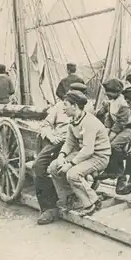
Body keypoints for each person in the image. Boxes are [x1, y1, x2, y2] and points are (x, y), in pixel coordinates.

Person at [47, 90, 111, 216]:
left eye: (65, 104)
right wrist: (61, 156)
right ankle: (71, 197)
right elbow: (69, 143)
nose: (63, 108)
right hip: (85, 154)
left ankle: (92, 202)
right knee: (54, 167)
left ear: (74, 106)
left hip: (99, 156)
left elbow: (88, 149)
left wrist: (69, 164)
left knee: (73, 174)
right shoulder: (73, 121)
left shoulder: (89, 122)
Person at [32, 81, 87, 225]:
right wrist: (52, 137)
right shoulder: (59, 107)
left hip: (78, 144)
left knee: (69, 166)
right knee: (39, 165)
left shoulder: (88, 109)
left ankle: (76, 196)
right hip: (59, 141)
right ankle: (48, 208)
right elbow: (45, 125)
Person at [95, 79, 131, 182]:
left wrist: (110, 136)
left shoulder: (123, 103)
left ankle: (118, 171)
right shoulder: (111, 102)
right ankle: (107, 169)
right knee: (103, 143)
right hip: (117, 128)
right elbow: (109, 118)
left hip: (128, 128)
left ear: (117, 92)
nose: (107, 94)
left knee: (114, 145)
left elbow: (121, 122)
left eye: (110, 92)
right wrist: (105, 133)